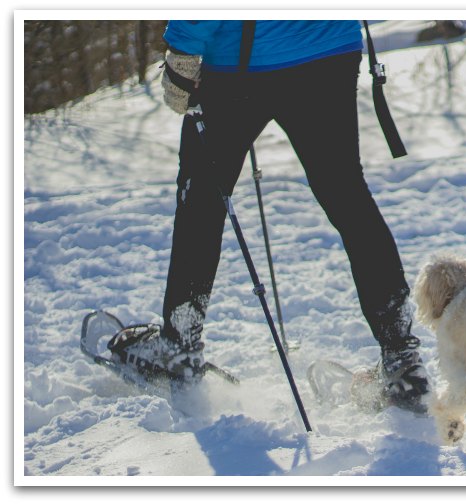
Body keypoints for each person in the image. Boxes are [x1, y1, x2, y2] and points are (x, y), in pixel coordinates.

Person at [111, 20, 429, 413]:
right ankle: (401, 360)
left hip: (238, 62)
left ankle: (179, 347)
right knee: (347, 196)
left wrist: (184, 47)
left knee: (202, 203)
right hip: (327, 49)